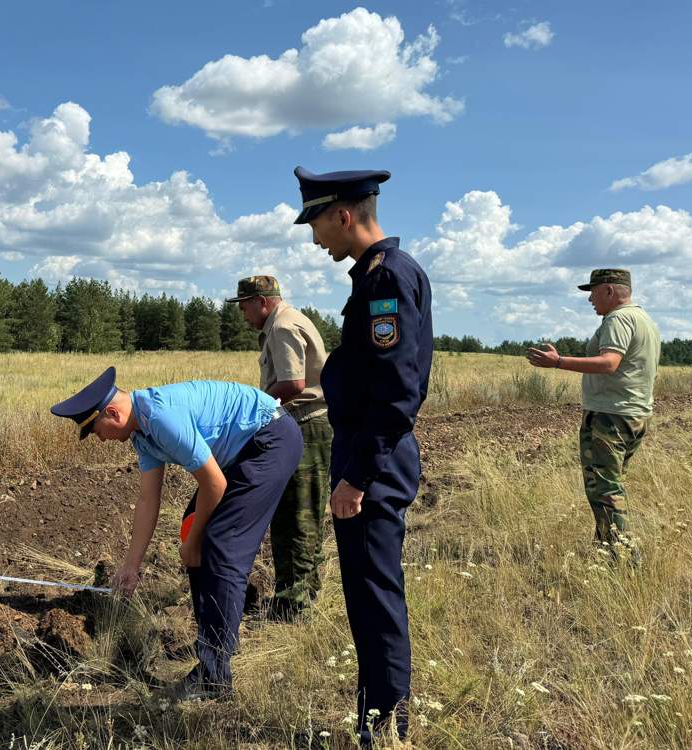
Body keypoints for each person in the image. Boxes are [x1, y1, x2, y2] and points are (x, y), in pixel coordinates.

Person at [50, 368, 302, 700]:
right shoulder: (141, 433)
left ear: (112, 412)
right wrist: (130, 566)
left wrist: (194, 543)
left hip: (269, 441)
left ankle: (214, 678)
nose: (101, 439)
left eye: (97, 431)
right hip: (242, 451)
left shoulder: (161, 417)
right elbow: (147, 499)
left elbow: (215, 483)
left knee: (222, 546)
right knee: (191, 528)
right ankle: (212, 647)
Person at [295, 167, 433, 746]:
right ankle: (378, 716)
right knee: (368, 596)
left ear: (344, 215)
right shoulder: (374, 277)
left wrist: (355, 476)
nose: (315, 237)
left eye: (317, 223)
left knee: (374, 601)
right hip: (366, 459)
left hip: (371, 465)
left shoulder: (386, 279)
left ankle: (385, 727)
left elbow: (398, 392)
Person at [525, 269, 660, 554]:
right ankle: (605, 549)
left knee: (604, 489)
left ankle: (620, 556)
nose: (590, 299)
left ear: (609, 291)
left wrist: (558, 361)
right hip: (632, 413)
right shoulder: (643, 319)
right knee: (609, 485)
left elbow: (609, 362)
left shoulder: (619, 318)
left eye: (593, 291)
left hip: (610, 416)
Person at [228, 275, 332, 620]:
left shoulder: (283, 326)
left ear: (261, 301)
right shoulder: (286, 320)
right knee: (294, 514)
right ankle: (296, 596)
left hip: (304, 426)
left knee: (298, 516)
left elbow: (293, 383)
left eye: (244, 306)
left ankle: (296, 605)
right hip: (302, 425)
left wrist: (254, 407)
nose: (243, 314)